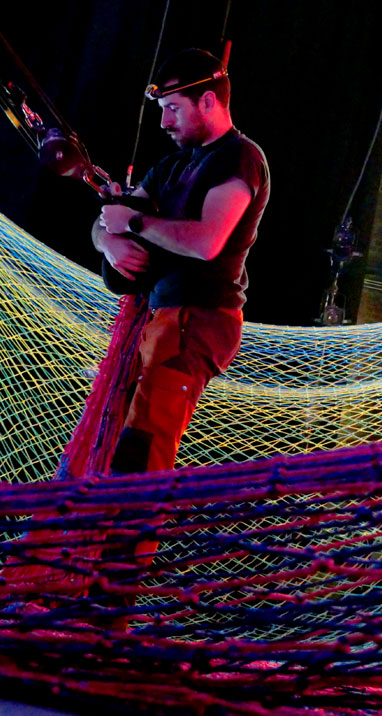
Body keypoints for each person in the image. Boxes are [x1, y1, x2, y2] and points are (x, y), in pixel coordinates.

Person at [94, 48, 270, 475]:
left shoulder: (240, 158)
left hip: (198, 320)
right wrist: (108, 243)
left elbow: (208, 241)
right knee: (117, 435)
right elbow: (105, 223)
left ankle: (130, 542)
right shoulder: (171, 165)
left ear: (208, 102)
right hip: (158, 318)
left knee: (143, 446)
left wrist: (133, 221)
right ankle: (101, 538)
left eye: (173, 108)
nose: (164, 121)